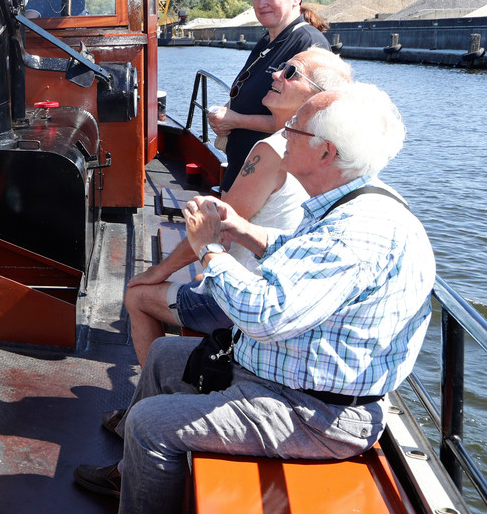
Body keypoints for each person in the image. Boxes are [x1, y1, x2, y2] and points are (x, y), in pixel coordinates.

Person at [72, 83, 435, 514]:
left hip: (316, 413)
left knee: (151, 424)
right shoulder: (353, 201)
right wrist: (243, 230)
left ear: (326, 152)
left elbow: (267, 315)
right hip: (288, 378)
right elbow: (300, 260)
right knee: (163, 357)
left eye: (296, 130)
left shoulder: (357, 234)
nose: (283, 136)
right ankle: (137, 480)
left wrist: (209, 251)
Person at [121, 48, 352, 367]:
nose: (275, 74)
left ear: (317, 96)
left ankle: (147, 398)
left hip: (244, 300)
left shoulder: (274, 150)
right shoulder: (328, 153)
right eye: (280, 67)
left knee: (137, 296)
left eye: (290, 73)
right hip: (289, 295)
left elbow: (219, 229)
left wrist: (155, 272)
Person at [208, 0, 330, 190]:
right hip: (244, 165)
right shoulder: (267, 41)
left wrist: (236, 120)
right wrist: (224, 115)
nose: (261, 3)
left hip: (271, 177)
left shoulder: (308, 43)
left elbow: (306, 122)